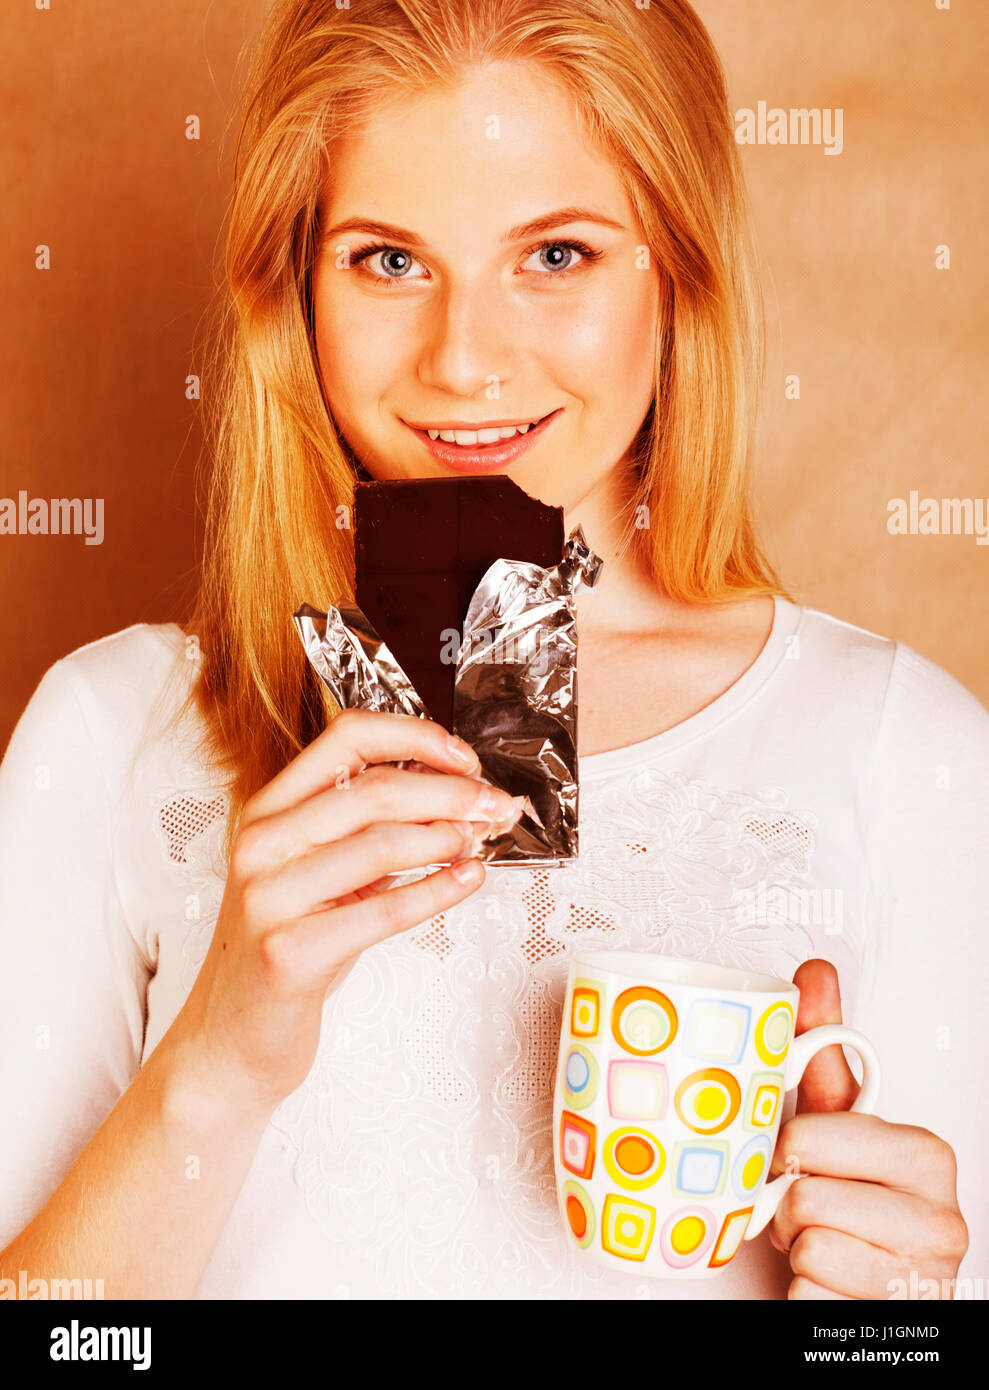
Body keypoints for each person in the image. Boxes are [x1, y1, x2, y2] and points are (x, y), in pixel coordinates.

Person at [0, 0, 985, 1301]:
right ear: (295, 290)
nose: (464, 363)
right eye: (387, 261)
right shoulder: (110, 733)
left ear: (678, 274)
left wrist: (890, 1331)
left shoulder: (904, 750)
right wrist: (218, 1059)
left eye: (557, 254)